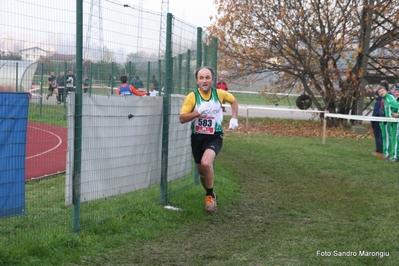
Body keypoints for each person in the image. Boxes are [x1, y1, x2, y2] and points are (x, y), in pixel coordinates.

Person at [179, 66, 239, 214]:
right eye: (201, 78)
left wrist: (234, 117)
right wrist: (197, 112)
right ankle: (211, 194)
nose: (204, 80)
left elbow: (233, 101)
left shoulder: (219, 94)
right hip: (197, 138)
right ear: (197, 80)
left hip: (214, 136)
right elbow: (182, 118)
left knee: (207, 163)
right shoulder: (192, 97)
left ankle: (209, 197)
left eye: (207, 77)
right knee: (202, 173)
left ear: (212, 79)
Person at [377, 85, 399, 162]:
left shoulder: (390, 98)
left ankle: (394, 156)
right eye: (379, 92)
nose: (381, 93)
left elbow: (396, 106)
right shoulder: (385, 99)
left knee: (395, 139)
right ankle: (391, 154)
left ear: (386, 90)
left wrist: (396, 115)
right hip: (390, 122)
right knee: (392, 138)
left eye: (382, 91)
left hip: (394, 122)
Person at [371, 90, 384, 158]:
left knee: (378, 137)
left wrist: (372, 121)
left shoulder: (378, 102)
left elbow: (376, 113)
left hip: (377, 121)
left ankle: (379, 151)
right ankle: (382, 150)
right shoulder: (384, 101)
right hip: (382, 121)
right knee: (381, 136)